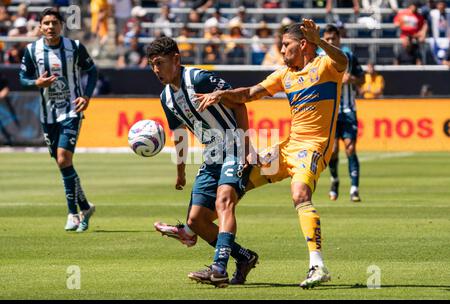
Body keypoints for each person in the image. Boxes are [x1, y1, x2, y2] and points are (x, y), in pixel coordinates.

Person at [195, 19, 348, 289]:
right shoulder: (284, 75)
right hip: (287, 147)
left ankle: (317, 265)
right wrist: (222, 94)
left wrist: (320, 41)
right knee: (235, 182)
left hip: (313, 147)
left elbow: (343, 61)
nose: (281, 50)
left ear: (303, 45)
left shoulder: (325, 66)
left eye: (286, 45)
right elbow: (250, 94)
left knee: (300, 193)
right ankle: (231, 254)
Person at [147, 36, 259, 288]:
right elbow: (179, 135)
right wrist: (180, 171)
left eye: (159, 63)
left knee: (224, 203)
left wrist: (246, 148)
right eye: (152, 65)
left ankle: (218, 269)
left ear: (176, 59)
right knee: (195, 221)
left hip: (234, 147)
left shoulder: (200, 79)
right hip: (211, 155)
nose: (156, 70)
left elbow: (239, 104)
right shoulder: (166, 97)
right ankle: (244, 257)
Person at [19, 8, 98, 232]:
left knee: (64, 159)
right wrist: (36, 83)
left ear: (61, 26)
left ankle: (73, 213)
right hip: (48, 115)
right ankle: (85, 206)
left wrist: (86, 96)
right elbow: (22, 78)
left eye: (54, 22)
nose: (50, 27)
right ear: (40, 27)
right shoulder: (32, 50)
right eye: (46, 23)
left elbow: (92, 71)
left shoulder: (74, 47)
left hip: (71, 111)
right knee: (63, 164)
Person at [322, 24, 364, 202]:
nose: (331, 41)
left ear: (339, 39)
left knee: (350, 147)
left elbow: (362, 79)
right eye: (328, 39)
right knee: (332, 151)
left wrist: (352, 79)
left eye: (334, 39)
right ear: (324, 39)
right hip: (330, 110)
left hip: (348, 109)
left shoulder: (349, 57)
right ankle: (335, 180)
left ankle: (354, 188)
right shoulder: (319, 58)